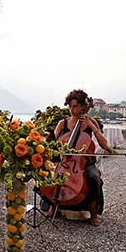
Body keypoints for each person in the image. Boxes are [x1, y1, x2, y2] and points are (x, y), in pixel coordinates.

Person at [50, 89, 112, 227]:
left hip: (85, 163)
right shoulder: (63, 123)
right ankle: (53, 206)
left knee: (94, 178)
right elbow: (52, 143)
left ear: (83, 106)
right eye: (70, 106)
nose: (71, 109)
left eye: (75, 106)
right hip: (65, 162)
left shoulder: (91, 122)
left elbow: (104, 144)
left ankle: (94, 213)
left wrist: (91, 125)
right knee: (52, 175)